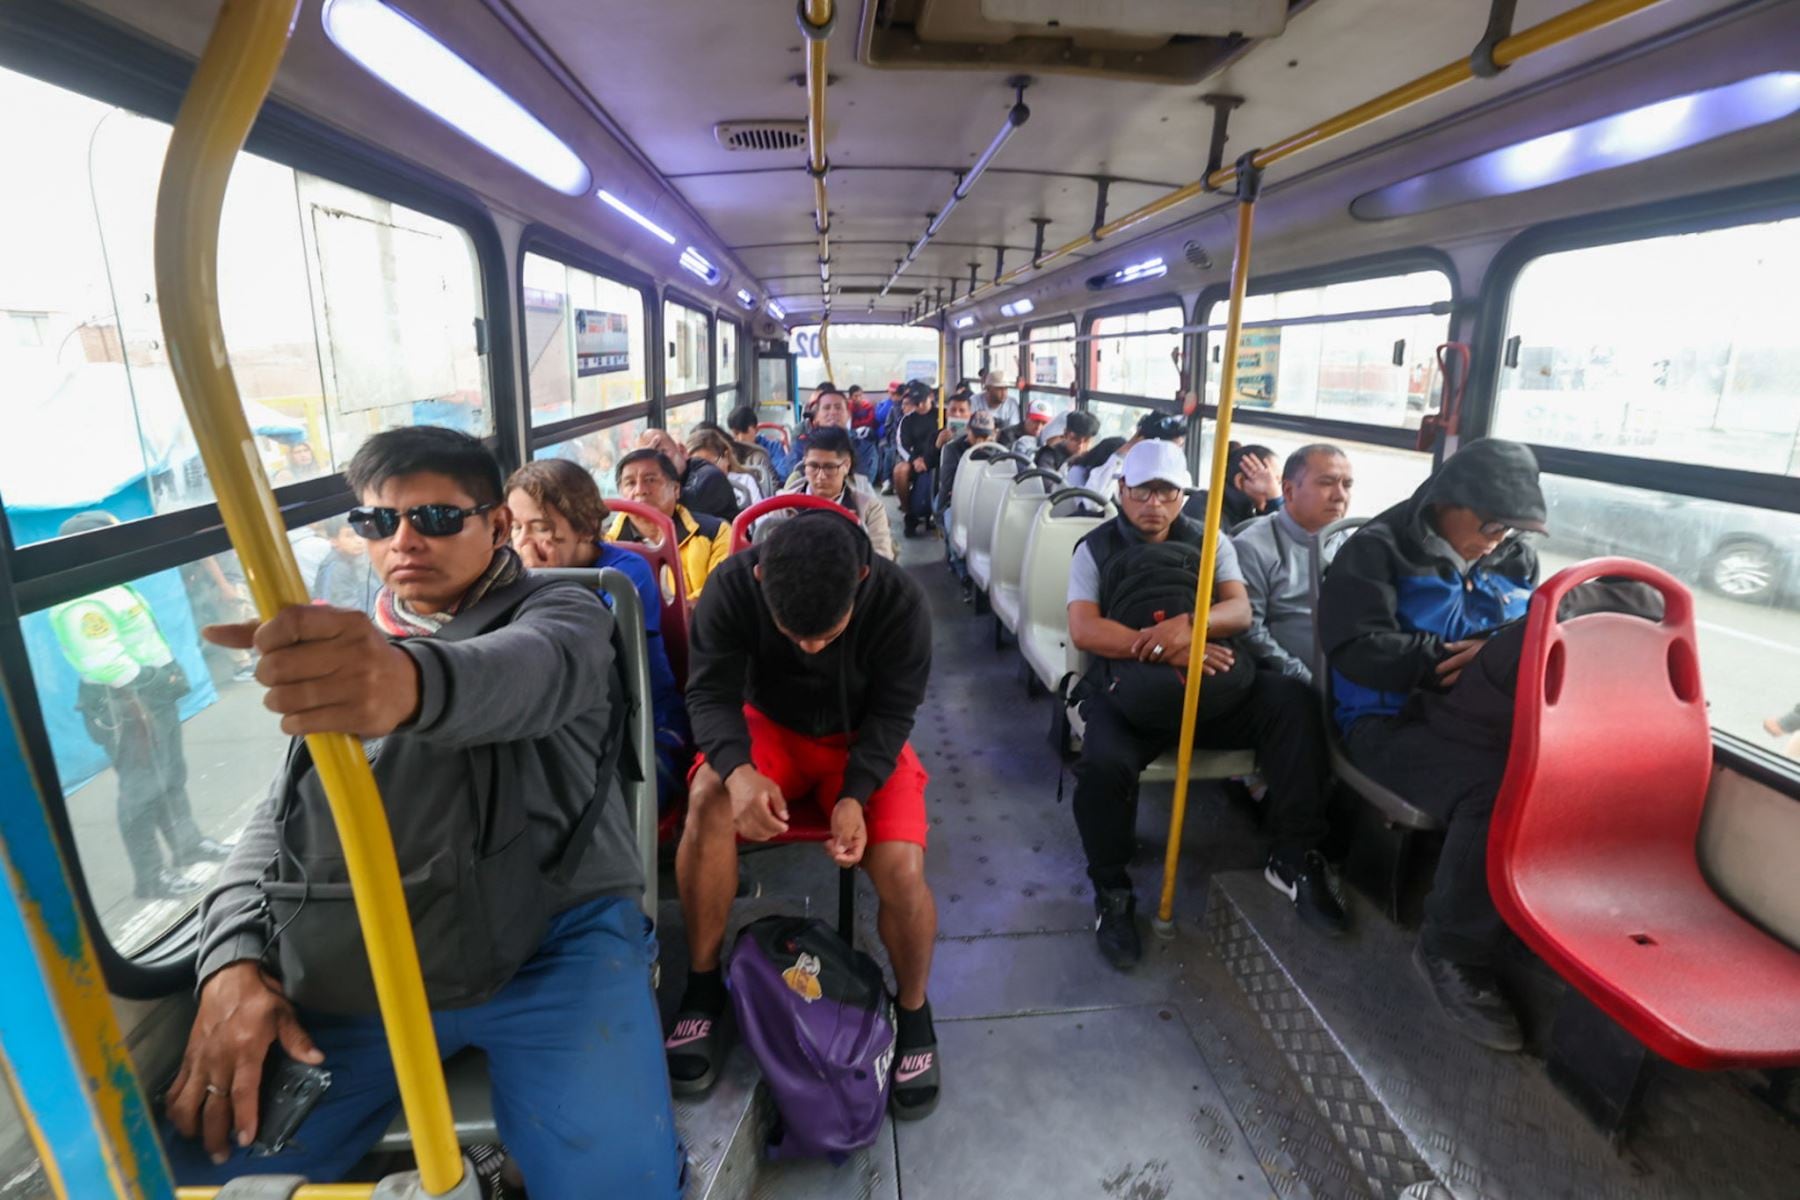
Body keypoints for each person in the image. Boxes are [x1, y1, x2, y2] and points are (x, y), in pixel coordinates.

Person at [164, 427, 681, 1195]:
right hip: (378, 954)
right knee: (212, 1166)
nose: (404, 540)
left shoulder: (567, 611)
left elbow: (527, 676)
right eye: (379, 522)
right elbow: (281, 818)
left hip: (555, 938)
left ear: (497, 526)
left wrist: (405, 684)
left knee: (618, 1185)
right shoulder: (350, 651)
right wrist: (231, 957)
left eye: (437, 518)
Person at [667, 514, 942, 1119]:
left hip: (865, 739)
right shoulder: (734, 587)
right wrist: (738, 772)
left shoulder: (900, 603)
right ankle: (702, 982)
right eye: (795, 635)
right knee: (709, 794)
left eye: (827, 634)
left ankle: (915, 1009)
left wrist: (855, 791)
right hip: (773, 728)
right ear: (763, 579)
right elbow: (710, 693)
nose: (811, 648)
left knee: (899, 869)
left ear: (862, 581)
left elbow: (896, 712)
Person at [1067, 441, 1348, 970]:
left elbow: (1238, 610)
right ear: (1122, 490)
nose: (1154, 502)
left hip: (1214, 685)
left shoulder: (1211, 538)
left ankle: (1292, 854)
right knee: (1104, 764)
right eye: (1142, 490)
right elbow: (1084, 628)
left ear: (1182, 495)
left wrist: (1190, 628)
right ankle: (1112, 889)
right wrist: (1156, 645)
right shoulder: (1094, 549)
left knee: (1292, 703)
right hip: (1130, 689)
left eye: (1167, 491)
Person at [1318, 437, 1547, 1053]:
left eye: (1511, 527)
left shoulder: (1514, 559)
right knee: (1496, 788)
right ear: (1448, 503)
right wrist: (1447, 661)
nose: (1498, 538)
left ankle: (1522, 915)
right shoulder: (1376, 552)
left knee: (1557, 773)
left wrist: (1500, 651)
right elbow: (1356, 650)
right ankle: (1450, 948)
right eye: (1491, 523)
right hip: (1385, 721)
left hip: (1469, 715)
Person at [49, 513, 227, 900]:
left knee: (170, 773)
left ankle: (187, 843)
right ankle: (150, 878)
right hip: (124, 704)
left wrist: (161, 679)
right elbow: (105, 663)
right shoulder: (80, 600)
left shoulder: (107, 583)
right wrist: (156, 680)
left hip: (148, 698)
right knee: (141, 789)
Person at [507, 457, 690, 813]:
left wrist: (535, 587)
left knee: (586, 812)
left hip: (645, 728)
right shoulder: (511, 574)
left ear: (587, 527)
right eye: (516, 528)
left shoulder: (623, 575)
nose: (523, 543)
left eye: (541, 528)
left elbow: (591, 662)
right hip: (563, 730)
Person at [1231, 445, 1354, 684]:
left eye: (1347, 485)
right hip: (1289, 681)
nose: (1340, 495)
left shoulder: (1351, 543)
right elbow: (1250, 631)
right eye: (1327, 483)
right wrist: (1306, 679)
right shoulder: (1253, 546)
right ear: (1288, 490)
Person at [606, 448, 732, 603]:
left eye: (650, 480)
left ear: (676, 489)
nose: (640, 491)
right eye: (630, 483)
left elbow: (721, 593)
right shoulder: (607, 543)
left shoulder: (715, 532)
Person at [762, 425, 895, 560]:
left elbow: (881, 560)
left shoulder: (869, 509)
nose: (820, 476)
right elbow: (768, 556)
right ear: (805, 464)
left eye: (830, 467)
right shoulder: (783, 505)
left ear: (846, 465)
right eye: (813, 466)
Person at [639, 428, 739, 522]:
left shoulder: (710, 476)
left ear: (682, 450)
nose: (658, 463)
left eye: (662, 453)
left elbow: (686, 511)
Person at [1085, 410, 1186, 500]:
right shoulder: (1123, 469)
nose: (1176, 455)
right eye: (1172, 450)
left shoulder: (1181, 476)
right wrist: (1124, 450)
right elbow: (1092, 504)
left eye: (1180, 447)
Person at [789, 389, 876, 484]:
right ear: (816, 417)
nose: (833, 412)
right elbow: (794, 480)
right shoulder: (801, 445)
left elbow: (861, 484)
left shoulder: (864, 448)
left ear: (848, 415)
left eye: (838, 408)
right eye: (826, 408)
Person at [892, 381, 943, 537]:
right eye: (916, 402)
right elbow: (902, 445)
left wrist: (928, 460)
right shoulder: (907, 420)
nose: (919, 405)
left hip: (939, 457)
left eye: (922, 400)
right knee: (900, 471)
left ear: (931, 397)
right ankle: (909, 513)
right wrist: (914, 460)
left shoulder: (941, 415)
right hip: (916, 460)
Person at [935, 408, 996, 522]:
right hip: (953, 502)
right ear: (968, 429)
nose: (980, 441)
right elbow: (948, 482)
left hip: (986, 502)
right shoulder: (952, 449)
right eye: (976, 435)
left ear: (992, 434)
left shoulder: (998, 452)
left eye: (984, 437)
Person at [686, 427, 765, 511]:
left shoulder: (745, 481)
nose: (706, 472)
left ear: (726, 457)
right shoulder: (689, 489)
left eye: (710, 465)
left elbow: (760, 520)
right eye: (698, 467)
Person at [310, 516, 373, 613]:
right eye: (350, 535)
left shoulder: (359, 557)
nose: (359, 540)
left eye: (360, 532)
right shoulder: (337, 569)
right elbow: (348, 613)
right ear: (334, 541)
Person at [1221, 444, 1283, 529]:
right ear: (1241, 481)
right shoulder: (1212, 515)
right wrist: (1275, 502)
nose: (1277, 490)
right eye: (1273, 481)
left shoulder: (1242, 516)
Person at [728, 404, 789, 485]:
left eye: (745, 432)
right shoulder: (730, 451)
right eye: (736, 433)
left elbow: (782, 476)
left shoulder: (774, 447)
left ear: (756, 429)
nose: (740, 438)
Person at [1035, 410, 1100, 475]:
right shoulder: (1049, 456)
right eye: (1075, 439)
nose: (1080, 446)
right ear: (1065, 434)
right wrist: (1068, 463)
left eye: (1086, 441)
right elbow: (1049, 483)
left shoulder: (1092, 459)